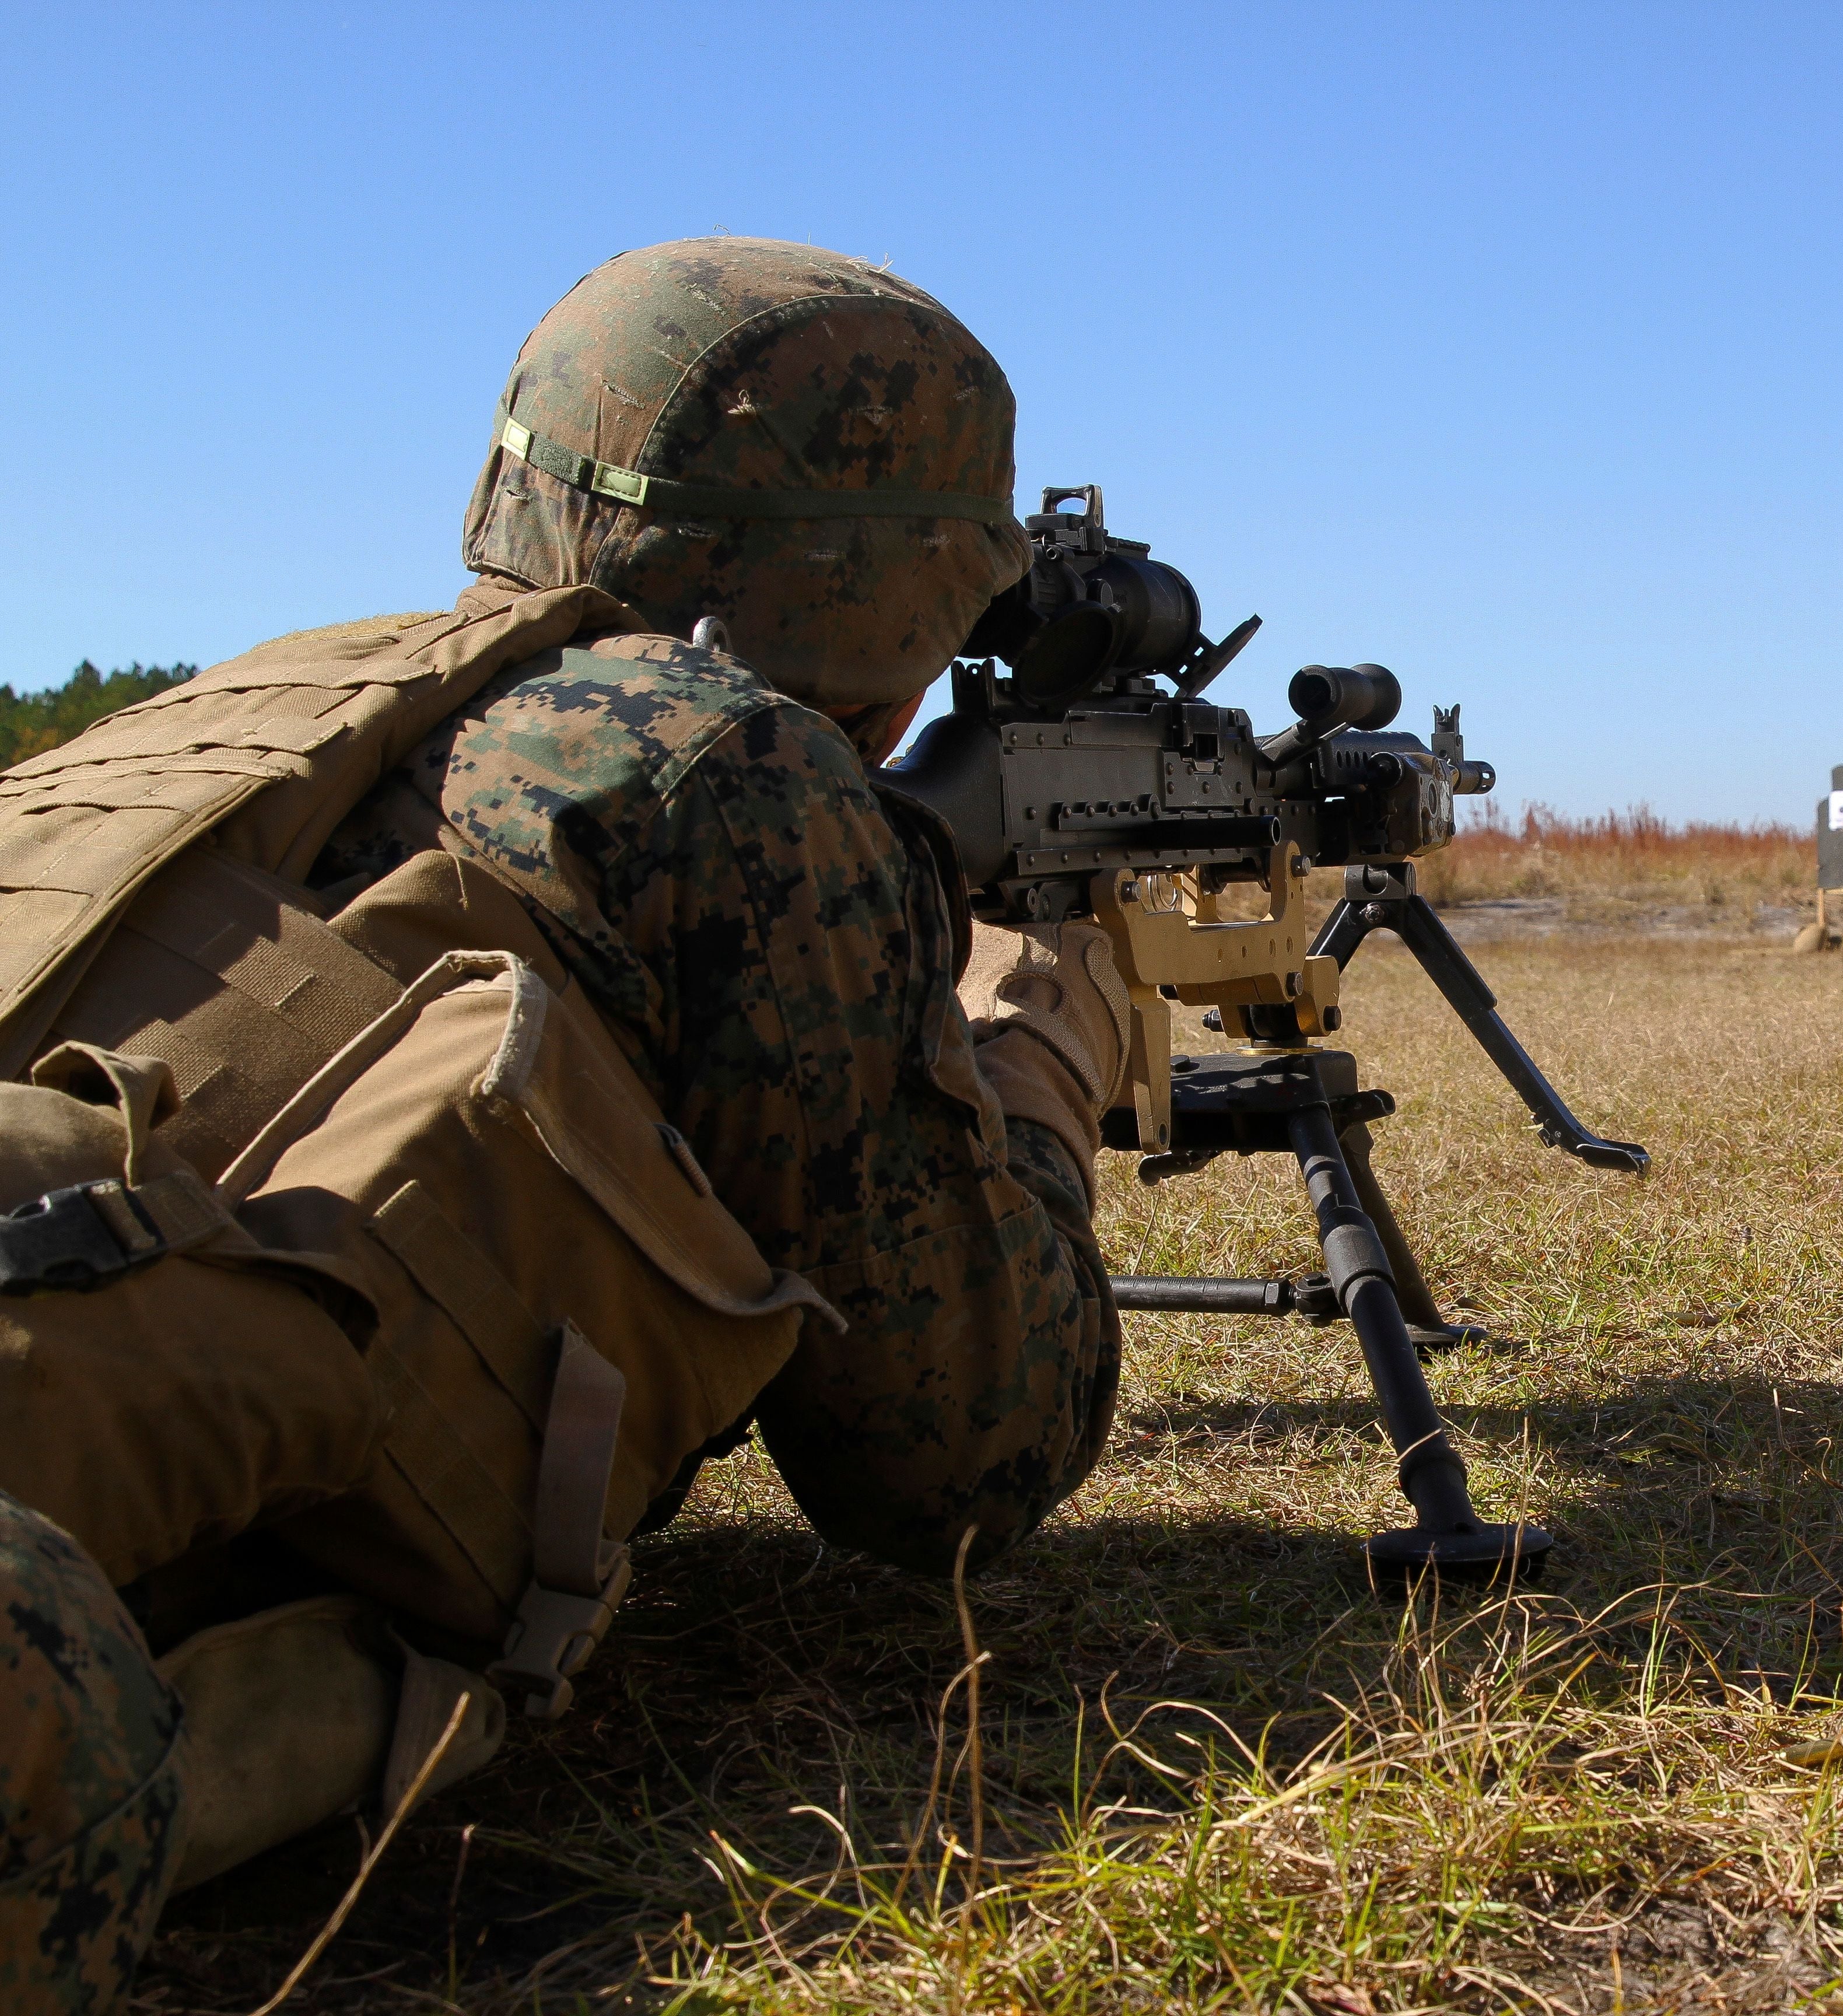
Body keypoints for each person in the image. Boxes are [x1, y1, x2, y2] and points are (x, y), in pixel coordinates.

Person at [0, 238, 1129, 2012]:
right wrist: (1042, 1037)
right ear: (908, 592)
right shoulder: (723, 774)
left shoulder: (255, 706)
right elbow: (966, 1461)